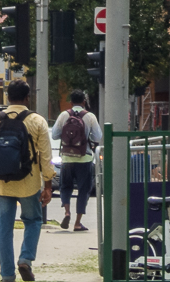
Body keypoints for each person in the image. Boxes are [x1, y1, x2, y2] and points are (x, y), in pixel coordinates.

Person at [0, 79, 55, 282]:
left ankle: (7, 275)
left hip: (0, 184)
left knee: (4, 228)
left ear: (7, 97)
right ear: (28, 97)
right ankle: (25, 259)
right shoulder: (37, 121)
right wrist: (48, 185)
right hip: (28, 184)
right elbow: (46, 157)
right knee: (33, 220)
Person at [50, 90, 102, 233]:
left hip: (66, 158)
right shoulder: (90, 116)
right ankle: (78, 223)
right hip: (85, 158)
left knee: (65, 187)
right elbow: (98, 137)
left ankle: (67, 212)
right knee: (83, 190)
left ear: (71, 102)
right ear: (84, 102)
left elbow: (54, 135)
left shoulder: (64, 115)